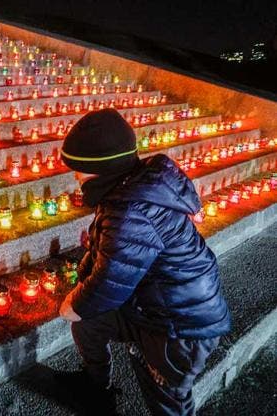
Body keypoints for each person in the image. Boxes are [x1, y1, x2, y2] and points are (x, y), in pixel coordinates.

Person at [56, 108, 231, 416]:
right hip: (153, 304)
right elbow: (110, 255)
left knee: (166, 399)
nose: (76, 176)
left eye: (80, 169)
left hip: (180, 327)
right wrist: (84, 284)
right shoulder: (128, 189)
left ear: (102, 168)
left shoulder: (131, 212)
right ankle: (95, 387)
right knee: (88, 324)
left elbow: (110, 284)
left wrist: (75, 303)